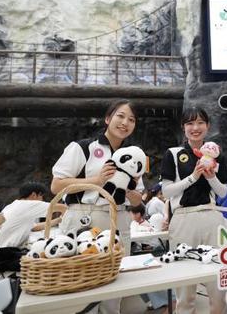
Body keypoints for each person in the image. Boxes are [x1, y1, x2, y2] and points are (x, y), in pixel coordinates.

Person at [51, 100, 144, 314]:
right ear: (108, 118)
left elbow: (138, 201)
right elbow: (56, 186)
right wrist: (97, 180)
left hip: (118, 219)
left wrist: (129, 188)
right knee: (81, 285)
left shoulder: (135, 156)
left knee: (115, 287)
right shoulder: (83, 147)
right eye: (120, 116)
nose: (125, 122)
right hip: (85, 217)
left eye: (131, 119)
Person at [159, 107, 227, 314]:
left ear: (207, 126)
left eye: (200, 123)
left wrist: (210, 176)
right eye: (190, 123)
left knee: (218, 281)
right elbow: (167, 191)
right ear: (183, 127)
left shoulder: (218, 155)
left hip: (212, 216)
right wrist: (193, 177)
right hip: (183, 219)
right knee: (185, 287)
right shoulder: (173, 154)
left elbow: (222, 191)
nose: (195, 128)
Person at [0, 182, 66, 249]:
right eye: (41, 196)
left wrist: (58, 220)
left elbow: (34, 227)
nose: (42, 200)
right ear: (34, 195)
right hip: (8, 250)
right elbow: (63, 207)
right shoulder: (28, 204)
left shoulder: (11, 206)